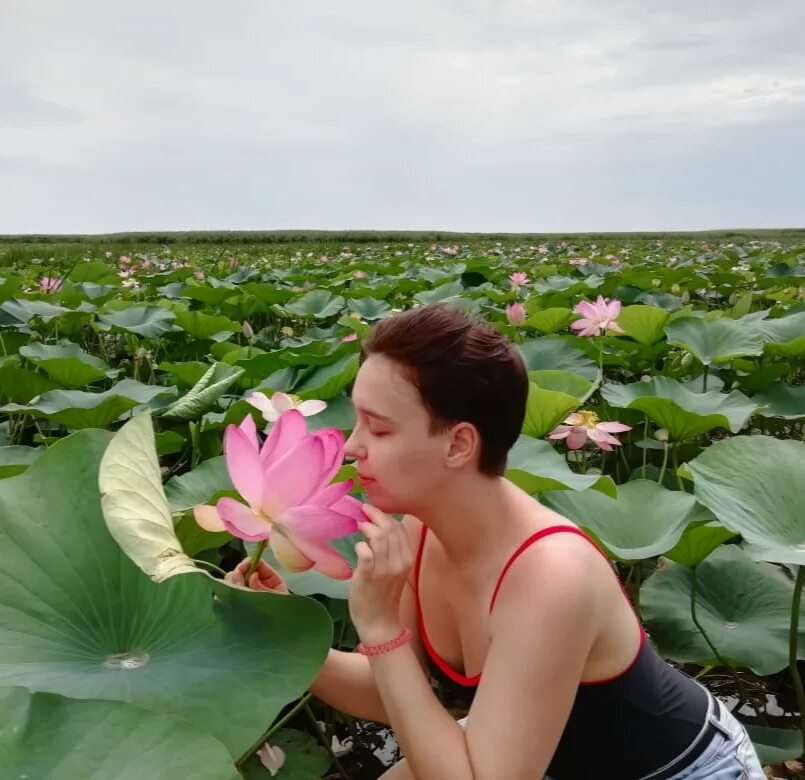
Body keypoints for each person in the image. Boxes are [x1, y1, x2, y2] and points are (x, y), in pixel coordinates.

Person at [228, 303, 766, 779]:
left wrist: (382, 628)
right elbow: (386, 691)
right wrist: (282, 628)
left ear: (459, 443)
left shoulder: (551, 575)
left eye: (379, 429)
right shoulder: (418, 531)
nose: (350, 446)